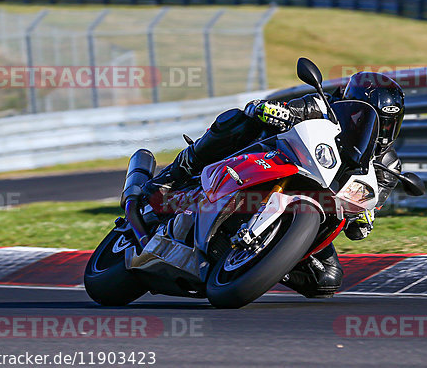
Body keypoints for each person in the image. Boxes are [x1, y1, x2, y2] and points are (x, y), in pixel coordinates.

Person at [135, 71, 406, 298]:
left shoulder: (388, 165)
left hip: (320, 208)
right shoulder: (321, 107)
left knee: (327, 281)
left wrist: (364, 217)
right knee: (236, 119)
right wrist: (272, 111)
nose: (378, 129)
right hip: (269, 167)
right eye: (366, 117)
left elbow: (363, 220)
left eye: (387, 124)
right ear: (349, 104)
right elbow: (268, 110)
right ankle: (174, 174)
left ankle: (263, 258)